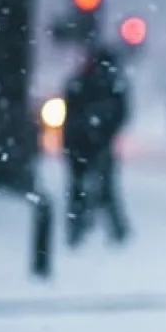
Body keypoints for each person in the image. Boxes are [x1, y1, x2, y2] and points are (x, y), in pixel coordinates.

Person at [62, 44, 131, 247]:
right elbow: (121, 113)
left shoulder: (83, 81)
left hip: (83, 143)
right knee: (103, 187)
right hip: (92, 143)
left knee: (82, 187)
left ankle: (79, 228)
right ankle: (112, 230)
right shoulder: (110, 84)